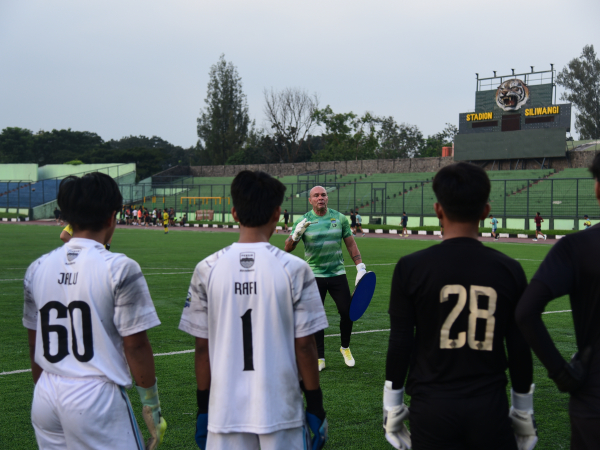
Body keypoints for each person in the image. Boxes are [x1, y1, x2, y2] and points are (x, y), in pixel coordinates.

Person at [383, 163, 536, 450]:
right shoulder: (509, 270)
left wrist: (392, 404)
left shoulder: (410, 268)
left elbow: (401, 340)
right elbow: (518, 346)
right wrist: (523, 410)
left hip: (431, 406)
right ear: (486, 211)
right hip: (488, 405)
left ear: (438, 209)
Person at [179, 171, 329, 450]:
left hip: (224, 412)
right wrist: (316, 406)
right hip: (281, 409)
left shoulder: (207, 269)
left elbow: (202, 347)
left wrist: (203, 409)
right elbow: (306, 346)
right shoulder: (295, 269)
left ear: (234, 213)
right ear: (277, 213)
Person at [23, 172, 166, 450]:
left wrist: (47, 392)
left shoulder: (37, 267)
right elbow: (135, 346)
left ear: (67, 217)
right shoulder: (121, 268)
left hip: (46, 393)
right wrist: (152, 405)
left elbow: (34, 344)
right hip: (96, 396)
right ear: (113, 217)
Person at [516, 154, 600, 449]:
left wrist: (563, 375)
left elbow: (525, 312)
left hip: (594, 399)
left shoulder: (578, 247)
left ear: (597, 189)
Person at [285, 186, 367, 371]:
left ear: (327, 198)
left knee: (347, 313)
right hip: (314, 275)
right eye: (316, 195)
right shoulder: (303, 220)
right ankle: (320, 357)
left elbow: (351, 244)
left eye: (323, 195)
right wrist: (296, 235)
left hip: (337, 274)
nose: (320, 198)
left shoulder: (339, 218)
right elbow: (288, 248)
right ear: (310, 200)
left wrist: (360, 266)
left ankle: (345, 347)